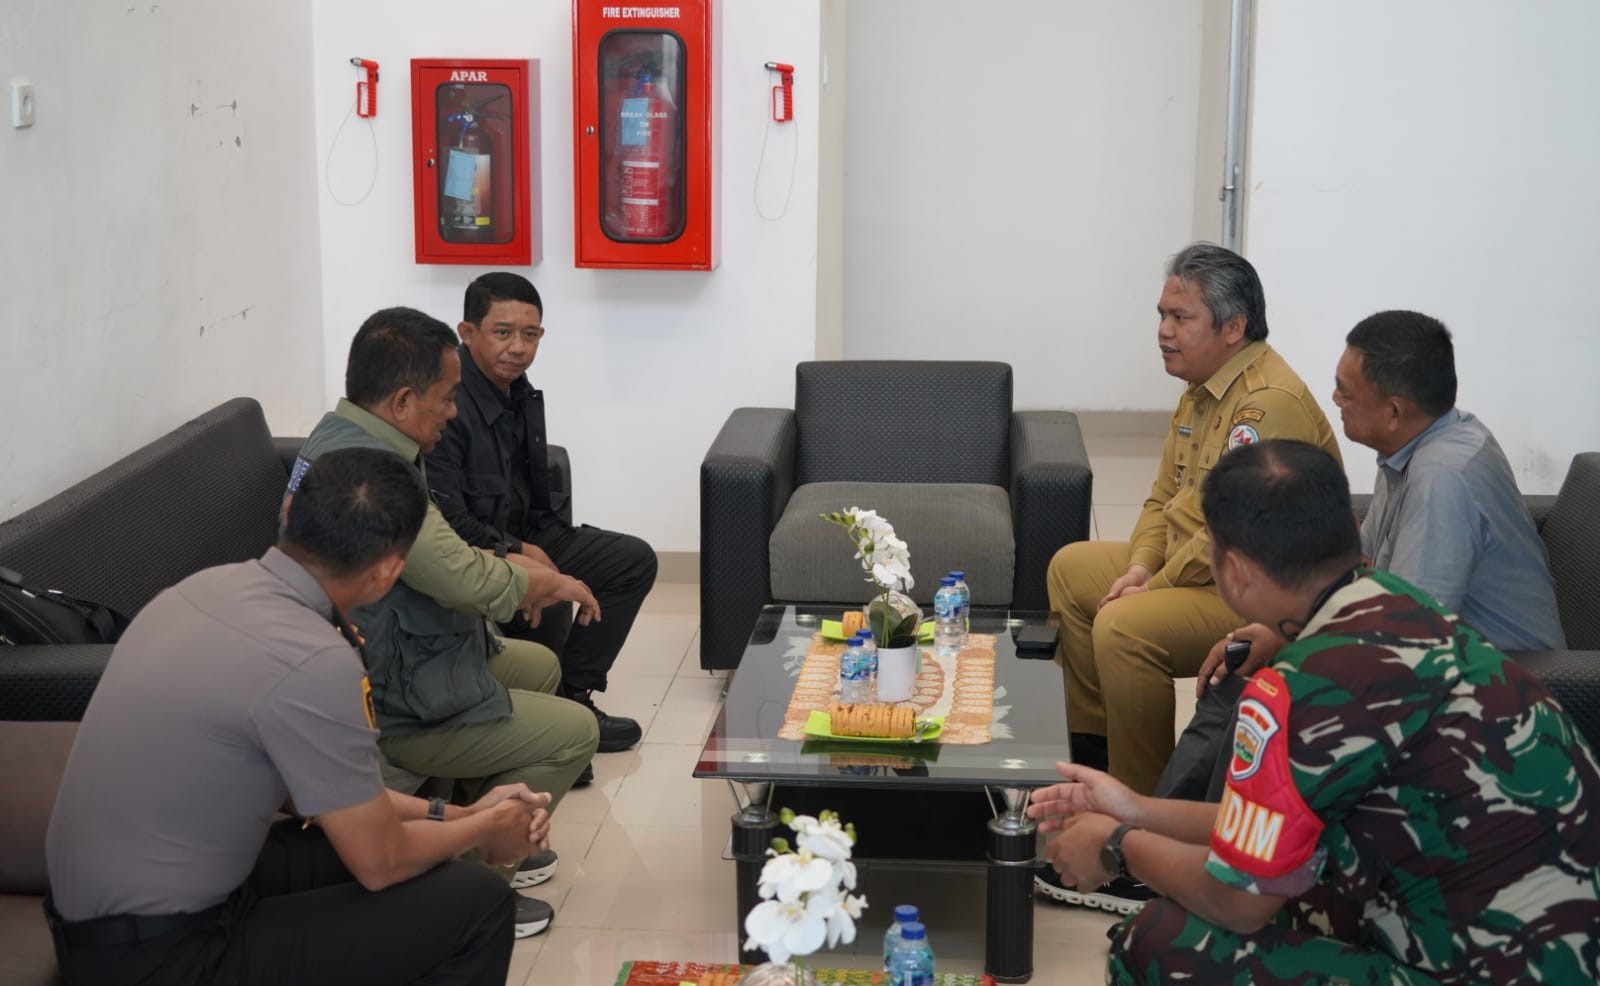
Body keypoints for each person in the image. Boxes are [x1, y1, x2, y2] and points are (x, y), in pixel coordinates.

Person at [1030, 440, 1600, 984]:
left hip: (1489, 966)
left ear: (1234, 570)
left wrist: (1118, 845)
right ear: (1349, 528)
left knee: (1156, 941)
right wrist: (1135, 808)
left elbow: (1239, 901)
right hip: (1566, 949)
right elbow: (1278, 823)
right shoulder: (1400, 605)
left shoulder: (1300, 687)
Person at [45, 448, 549, 986]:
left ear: (290, 514)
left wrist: (456, 816)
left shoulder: (200, 589)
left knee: (385, 856)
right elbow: (380, 862)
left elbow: (315, 796)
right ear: (388, 572)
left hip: (101, 923)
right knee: (477, 902)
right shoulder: (313, 658)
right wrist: (485, 829)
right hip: (159, 958)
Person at [1041, 243, 1341, 911]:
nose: (1163, 331)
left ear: (1233, 327)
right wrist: (1141, 565)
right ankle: (1095, 765)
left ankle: (1137, 825)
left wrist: (1149, 587)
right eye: (1161, 315)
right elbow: (1162, 498)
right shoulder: (1201, 391)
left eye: (1181, 318)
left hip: (1261, 592)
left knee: (1124, 625)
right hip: (1202, 569)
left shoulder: (1266, 404)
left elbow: (1221, 533)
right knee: (1073, 568)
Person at [1167, 310, 1566, 804]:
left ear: (1394, 411)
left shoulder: (1442, 479)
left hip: (1495, 689)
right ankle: (1170, 828)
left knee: (1267, 700)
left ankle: (1199, 837)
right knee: (1242, 673)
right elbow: (1366, 570)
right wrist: (1280, 633)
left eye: (1346, 392)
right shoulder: (1413, 447)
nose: (1334, 399)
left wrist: (1296, 645)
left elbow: (1411, 633)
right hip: (1437, 656)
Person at [292, 306, 601, 937]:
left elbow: (444, 558)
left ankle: (473, 817)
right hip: (391, 689)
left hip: (406, 651)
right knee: (575, 731)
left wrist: (516, 573)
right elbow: (455, 576)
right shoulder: (369, 468)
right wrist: (540, 583)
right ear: (404, 401)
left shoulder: (357, 435)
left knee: (539, 664)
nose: (454, 412)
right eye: (448, 396)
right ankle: (473, 885)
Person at [425, 272, 657, 752]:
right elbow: (448, 522)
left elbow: (529, 492)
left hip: (528, 534)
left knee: (632, 560)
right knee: (547, 584)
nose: (518, 348)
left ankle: (573, 697)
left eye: (530, 335)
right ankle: (550, 720)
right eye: (502, 332)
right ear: (467, 333)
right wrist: (522, 554)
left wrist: (541, 549)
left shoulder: (519, 390)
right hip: (476, 550)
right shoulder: (447, 404)